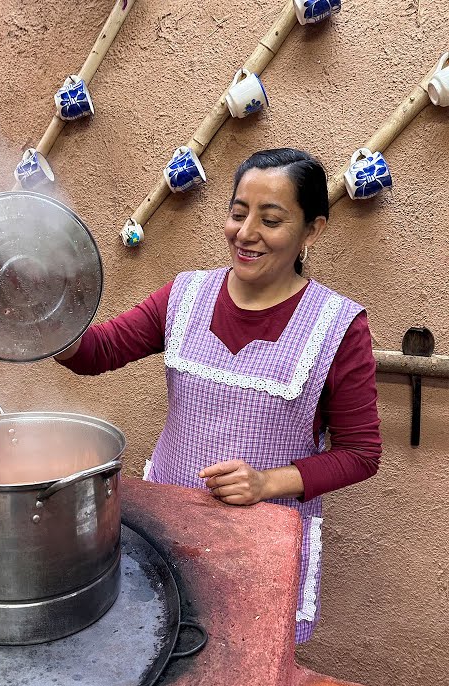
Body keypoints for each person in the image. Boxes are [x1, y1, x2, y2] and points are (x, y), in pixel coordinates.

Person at [54, 148, 381, 643]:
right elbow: (97, 352)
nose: (246, 233)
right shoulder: (185, 295)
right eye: (237, 213)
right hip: (171, 523)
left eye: (270, 220)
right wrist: (48, 314)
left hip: (264, 539)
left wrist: (266, 483)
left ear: (312, 230)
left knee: (241, 658)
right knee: (162, 643)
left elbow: (361, 453)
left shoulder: (338, 326)